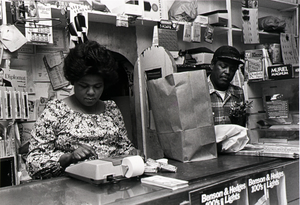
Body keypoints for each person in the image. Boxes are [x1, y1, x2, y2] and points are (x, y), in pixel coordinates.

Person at [26, 41, 139, 179]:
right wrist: (68, 157)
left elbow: (124, 146)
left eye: (97, 86)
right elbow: (33, 162)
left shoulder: (111, 109)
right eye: (84, 86)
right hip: (70, 191)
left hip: (111, 185)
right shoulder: (55, 112)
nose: (91, 92)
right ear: (73, 82)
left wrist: (132, 153)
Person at [208, 45, 245, 126]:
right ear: (212, 65)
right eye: (223, 66)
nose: (227, 72)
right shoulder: (198, 91)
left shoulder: (239, 93)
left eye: (232, 69)